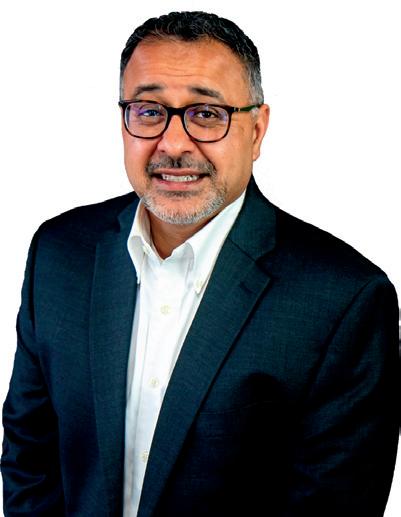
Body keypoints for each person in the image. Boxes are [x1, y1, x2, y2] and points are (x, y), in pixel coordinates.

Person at [1, 11, 399, 517]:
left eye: (207, 113)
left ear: (257, 130)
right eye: (149, 111)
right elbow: (29, 459)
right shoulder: (59, 254)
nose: (172, 144)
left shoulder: (345, 298)